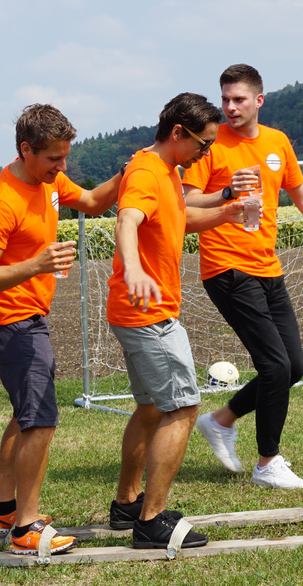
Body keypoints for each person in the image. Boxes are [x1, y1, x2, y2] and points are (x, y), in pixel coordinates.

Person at [182, 64, 303, 489]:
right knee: (274, 365)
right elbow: (186, 201)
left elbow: (300, 193)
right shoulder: (212, 144)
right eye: (224, 99)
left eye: (238, 99)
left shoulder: (277, 142)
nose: (230, 107)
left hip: (267, 266)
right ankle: (267, 463)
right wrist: (227, 193)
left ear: (259, 100)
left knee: (293, 366)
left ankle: (221, 420)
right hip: (226, 266)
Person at [0, 104, 123, 555]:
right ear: (25, 150)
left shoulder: (49, 181)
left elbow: (94, 201)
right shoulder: (1, 201)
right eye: (54, 159)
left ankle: (3, 509)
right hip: (9, 319)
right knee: (40, 418)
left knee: (25, 412)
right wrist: (35, 264)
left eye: (65, 158)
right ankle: (25, 529)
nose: (62, 167)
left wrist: (127, 172)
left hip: (30, 315)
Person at [108, 93, 245, 549]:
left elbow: (176, 219)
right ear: (178, 133)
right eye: (203, 145)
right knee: (184, 408)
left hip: (143, 311)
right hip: (148, 314)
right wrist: (132, 267)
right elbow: (127, 221)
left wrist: (225, 210)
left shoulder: (166, 170)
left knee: (151, 408)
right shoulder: (147, 172)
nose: (207, 153)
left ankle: (128, 505)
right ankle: (152, 521)